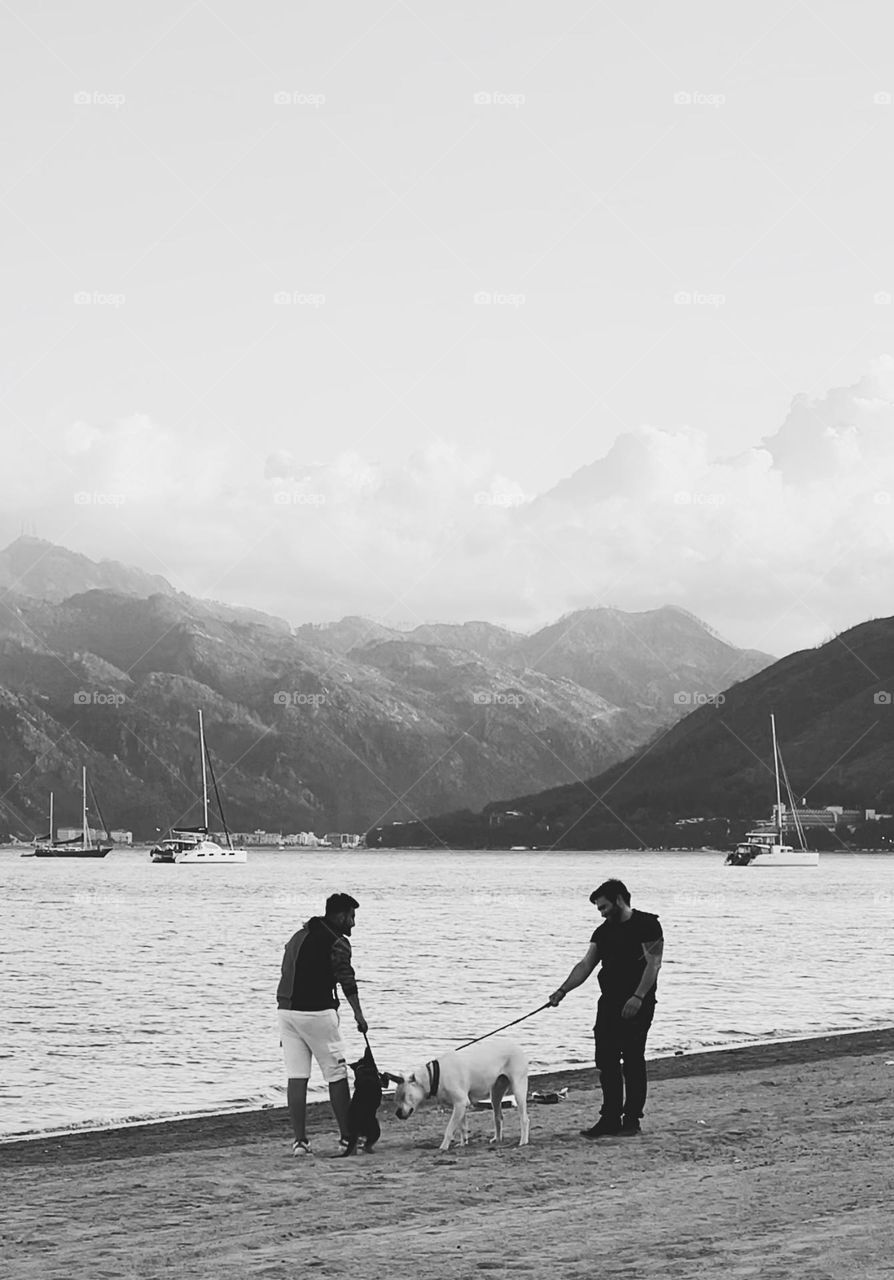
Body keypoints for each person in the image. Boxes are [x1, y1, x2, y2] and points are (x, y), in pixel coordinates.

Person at [548, 878, 663, 1137]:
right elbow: (585, 965)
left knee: (633, 1059)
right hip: (609, 1003)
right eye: (598, 908)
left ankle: (631, 1119)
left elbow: (653, 964)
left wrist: (638, 997)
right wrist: (562, 991)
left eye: (604, 907)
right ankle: (610, 1118)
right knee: (606, 1060)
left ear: (619, 900)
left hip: (638, 1001)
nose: (601, 912)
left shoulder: (648, 925)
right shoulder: (603, 932)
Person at [276, 892, 369, 1156]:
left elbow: (287, 970)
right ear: (339, 916)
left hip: (286, 1012)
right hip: (317, 1013)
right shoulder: (337, 942)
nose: (353, 923)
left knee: (297, 1076)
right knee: (336, 1074)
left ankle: (300, 1142)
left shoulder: (298, 936)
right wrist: (359, 1016)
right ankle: (347, 1138)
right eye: (351, 917)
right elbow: (347, 980)